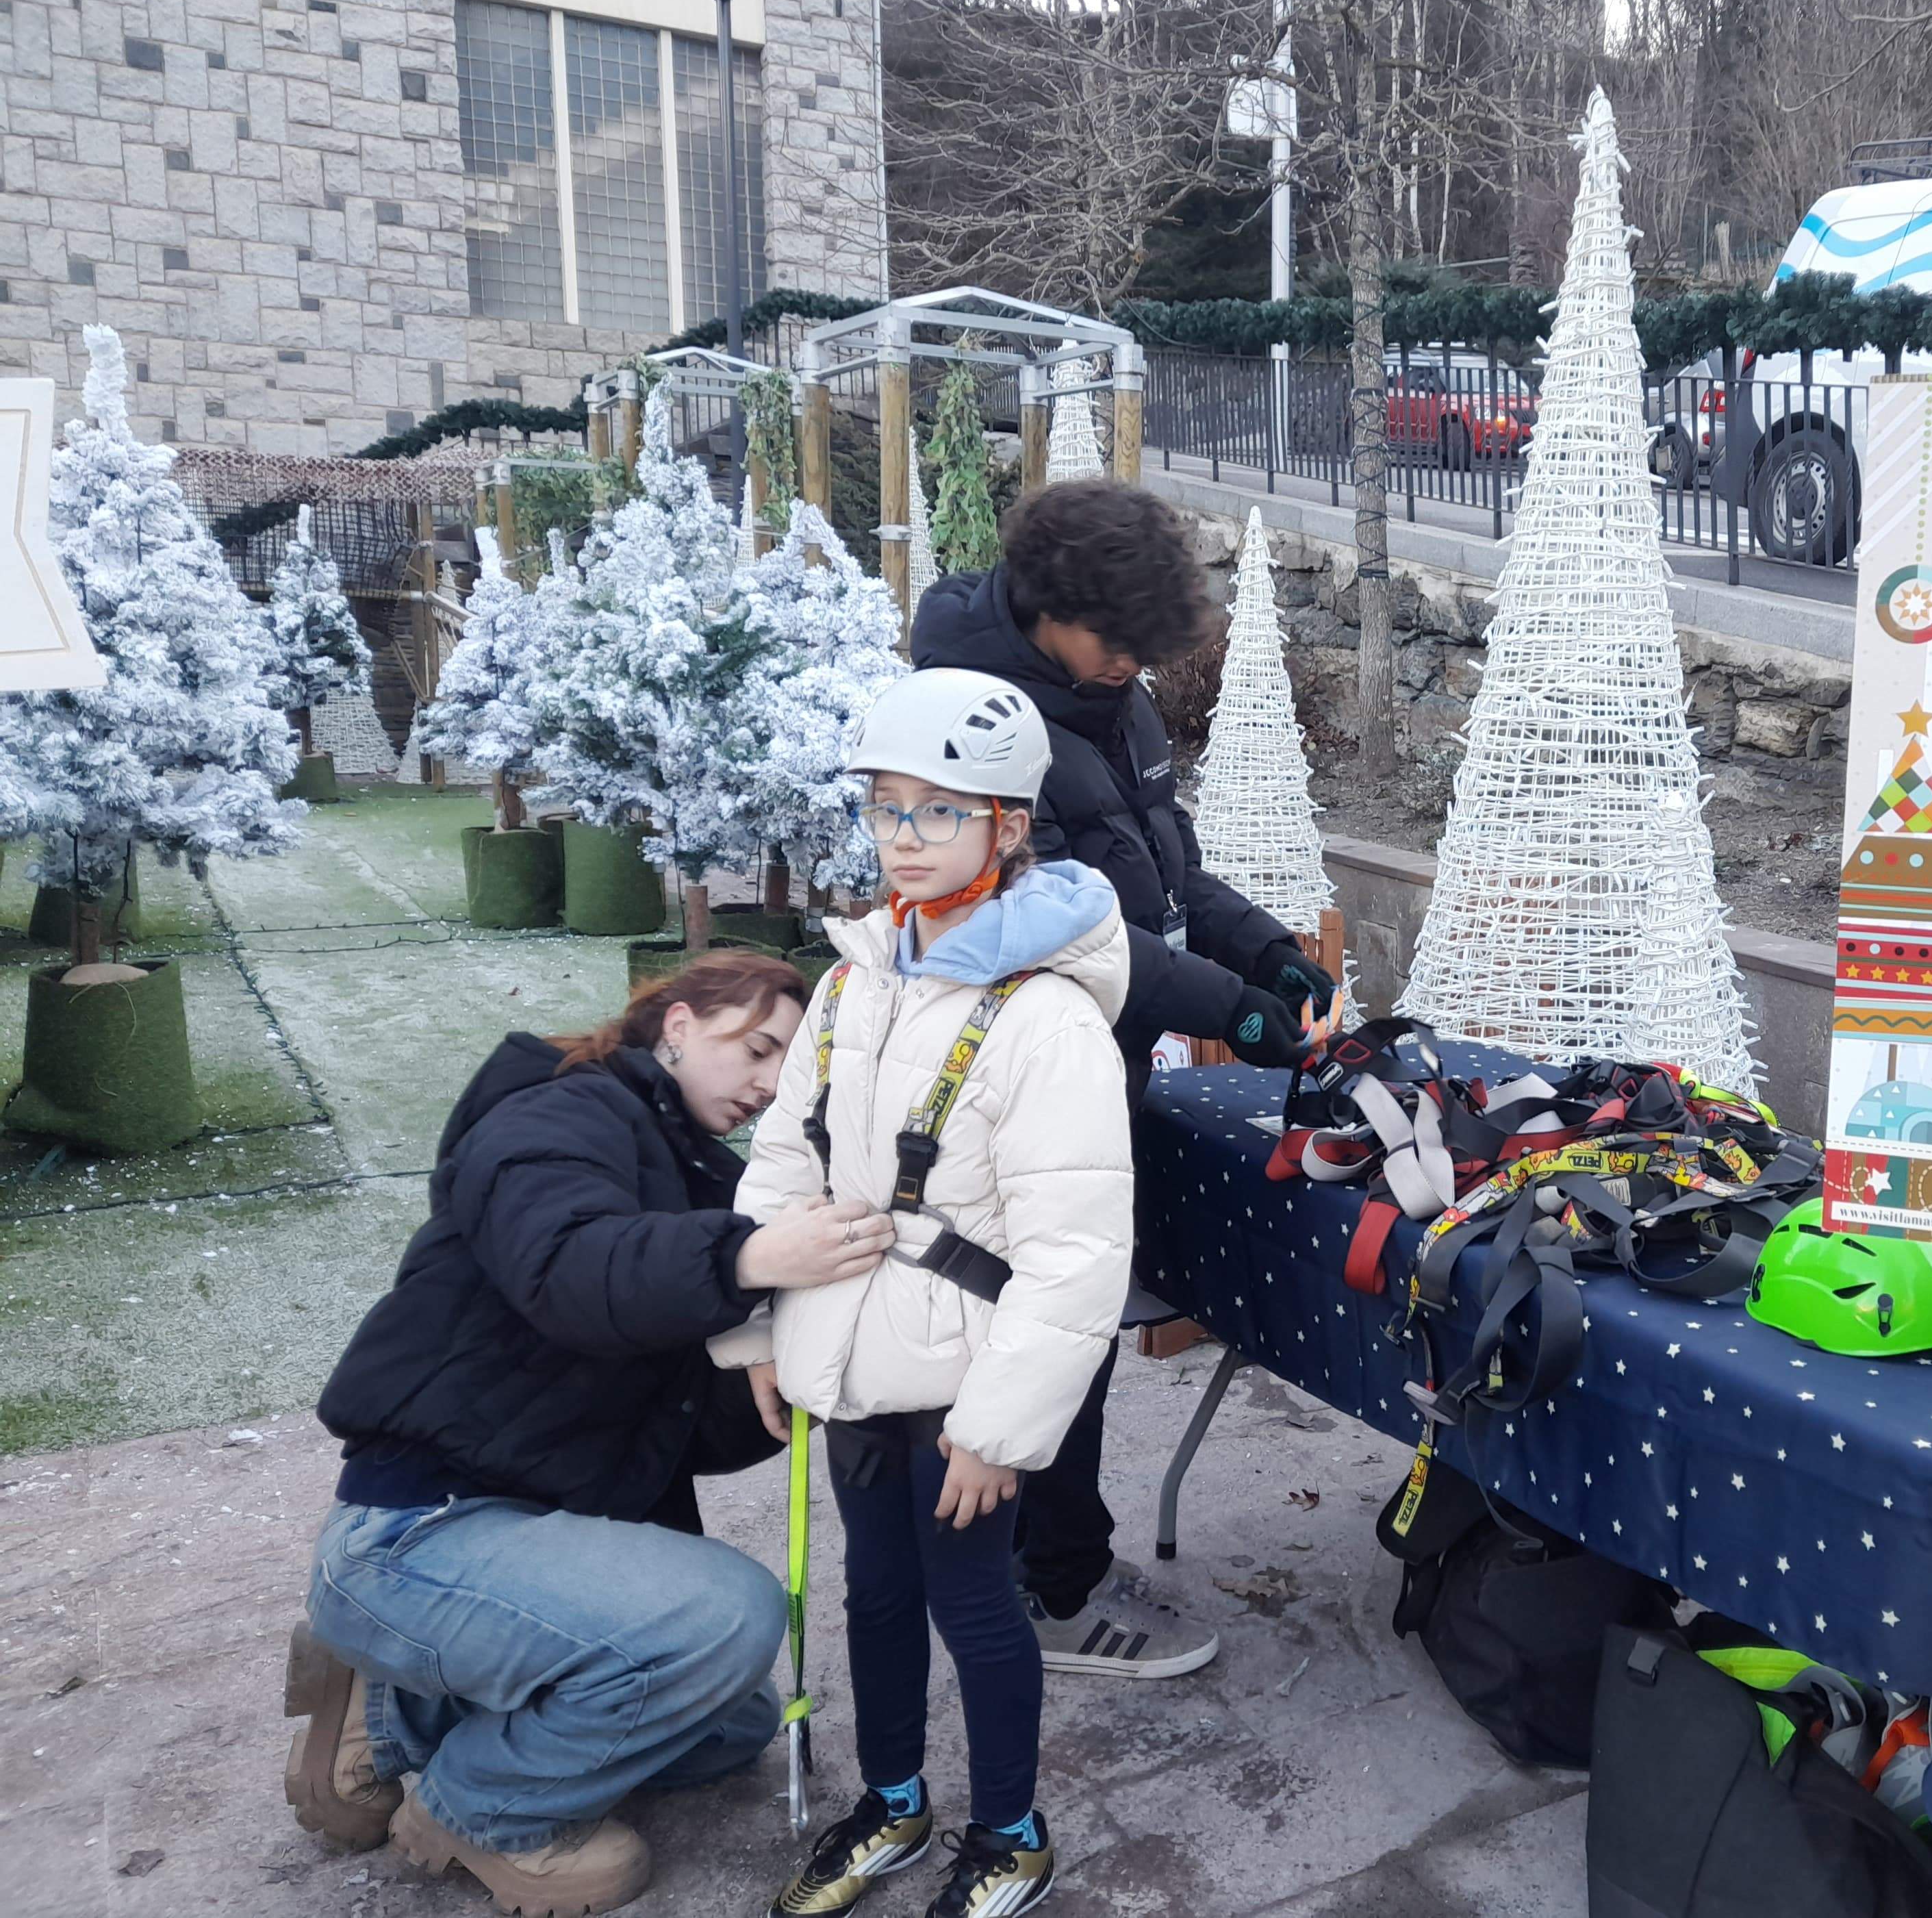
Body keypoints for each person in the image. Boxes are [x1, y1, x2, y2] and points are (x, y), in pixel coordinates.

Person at [285, 951, 898, 1918]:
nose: (772, 1083)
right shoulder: (556, 1113)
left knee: (728, 1721)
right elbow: (571, 1267)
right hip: (420, 1525)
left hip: (526, 1524)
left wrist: (764, 1377)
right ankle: (476, 1810)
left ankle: (394, 1701)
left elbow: (667, 1423)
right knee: (728, 1619)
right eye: (759, 1046)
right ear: (681, 1023)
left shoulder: (694, 1173)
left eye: (794, 1068)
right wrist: (749, 1258)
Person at [720, 670, 1132, 1917]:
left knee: (971, 1599)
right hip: (850, 1351)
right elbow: (784, 1161)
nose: (905, 840)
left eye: (938, 813)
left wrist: (1001, 1428)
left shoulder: (1046, 1019)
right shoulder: (854, 983)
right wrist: (754, 1326)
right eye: (888, 810)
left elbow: (1076, 1251)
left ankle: (1011, 1831)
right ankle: (894, 1803)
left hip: (963, 1379)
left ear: (1007, 828)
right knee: (876, 1591)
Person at [913, 478, 1336, 1680]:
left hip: (1099, 1070)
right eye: (1118, 646)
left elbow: (1156, 874)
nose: (1132, 669)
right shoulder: (970, 728)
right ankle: (1046, 1593)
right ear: (1048, 611)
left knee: (1079, 1323)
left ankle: (1055, 1563)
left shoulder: (1114, 701)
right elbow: (1045, 925)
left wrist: (1258, 946)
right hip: (1005, 1084)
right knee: (1043, 1325)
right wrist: (1229, 1015)